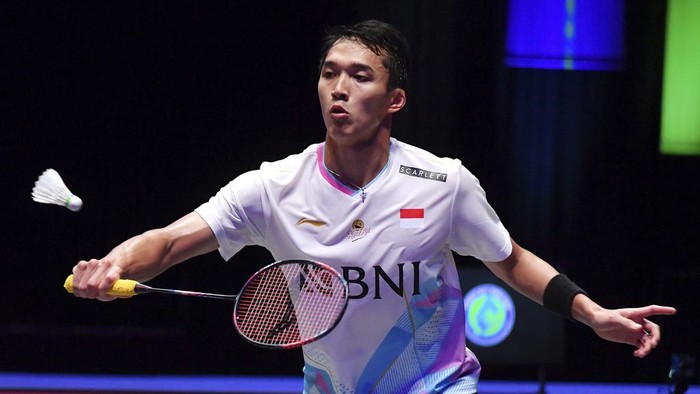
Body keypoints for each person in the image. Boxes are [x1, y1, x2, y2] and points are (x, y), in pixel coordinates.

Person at [70, 20, 676, 394]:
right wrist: (113, 264)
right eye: (330, 73)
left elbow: (508, 258)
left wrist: (591, 313)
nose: (340, 88)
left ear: (395, 100)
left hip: (437, 386)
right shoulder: (273, 186)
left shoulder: (442, 182)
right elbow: (171, 241)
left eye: (360, 76)